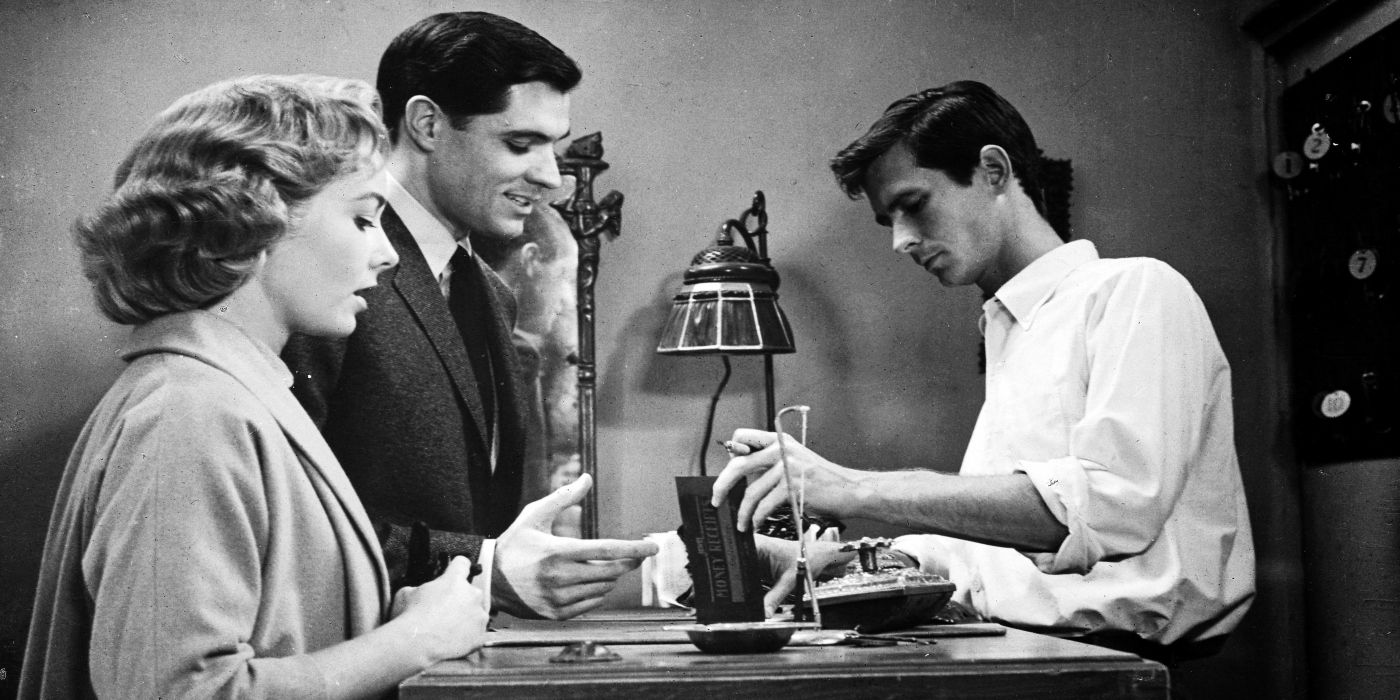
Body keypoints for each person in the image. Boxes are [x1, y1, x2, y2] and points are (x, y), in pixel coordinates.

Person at [712, 81, 1255, 657]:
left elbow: (1108, 508)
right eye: (887, 220)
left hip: (1119, 664)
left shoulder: (1136, 290)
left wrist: (851, 489)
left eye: (913, 205)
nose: (900, 241)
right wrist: (840, 561)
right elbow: (999, 558)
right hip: (1019, 649)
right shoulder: (1011, 328)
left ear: (993, 171)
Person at [21, 75, 488, 699]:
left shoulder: (229, 392)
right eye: (362, 219)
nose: (387, 255)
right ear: (255, 222)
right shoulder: (193, 411)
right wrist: (410, 643)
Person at [282, 11, 655, 621]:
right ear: (427, 123)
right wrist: (484, 568)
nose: (552, 178)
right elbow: (287, 514)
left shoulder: (488, 290)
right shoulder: (326, 273)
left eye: (553, 148)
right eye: (520, 143)